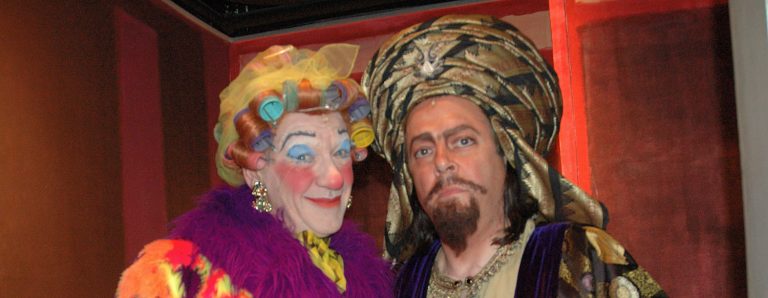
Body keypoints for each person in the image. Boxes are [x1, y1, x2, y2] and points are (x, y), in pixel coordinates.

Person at [362, 15, 665, 297]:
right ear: (408, 175)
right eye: (423, 150)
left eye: (463, 141)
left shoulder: (577, 256)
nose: (441, 161)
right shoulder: (396, 286)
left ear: (506, 152)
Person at [117, 44, 392, 297]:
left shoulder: (366, 277)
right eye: (303, 155)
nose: (334, 177)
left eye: (341, 152)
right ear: (254, 172)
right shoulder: (184, 276)